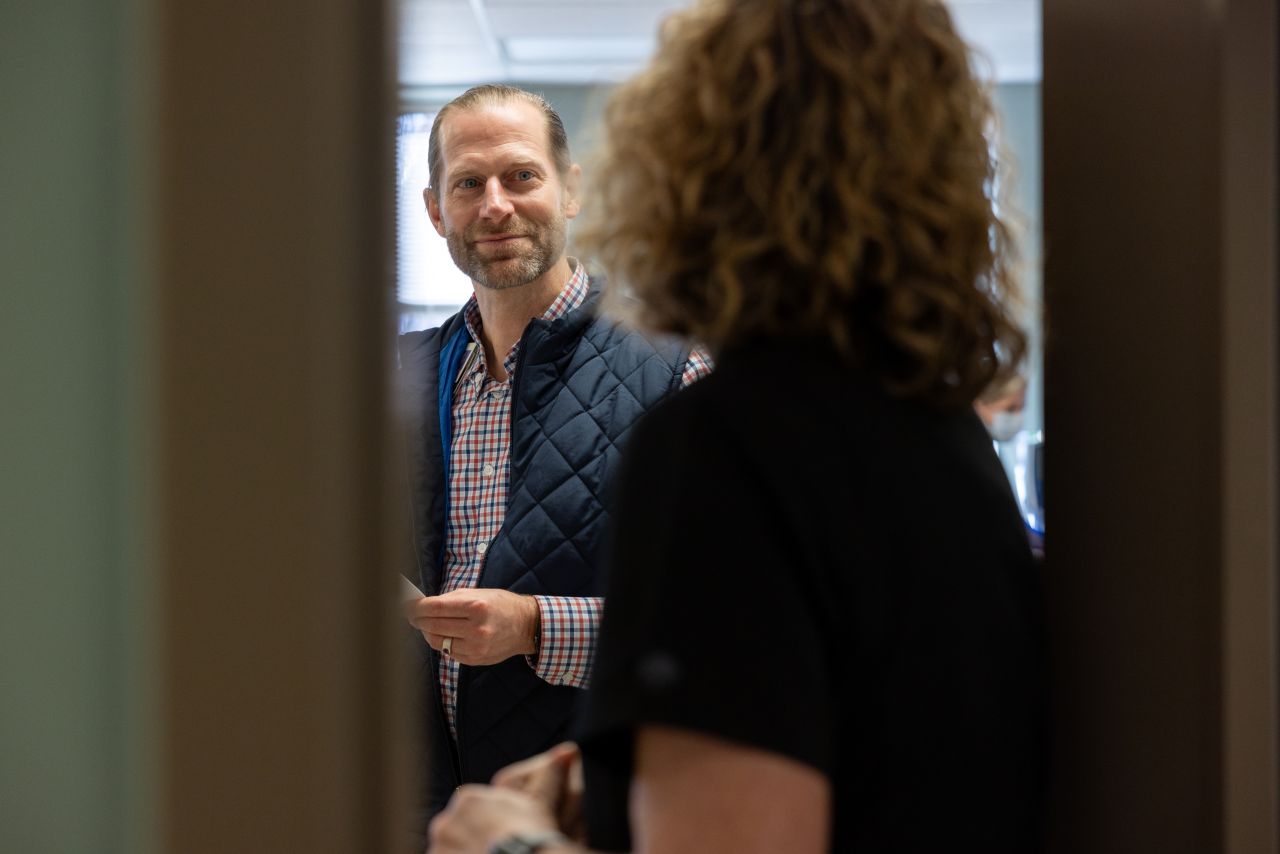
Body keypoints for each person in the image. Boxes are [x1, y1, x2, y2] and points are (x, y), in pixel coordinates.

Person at [425, 1, 1046, 852]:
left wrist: (505, 842)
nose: (495, 204)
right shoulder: (939, 438)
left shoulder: (724, 445)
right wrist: (613, 786)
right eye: (467, 183)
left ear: (691, 165)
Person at [395, 84, 710, 840]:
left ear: (571, 191)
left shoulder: (676, 374)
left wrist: (538, 626)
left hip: (584, 816)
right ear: (437, 211)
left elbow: (718, 623)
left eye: (521, 176)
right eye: (468, 184)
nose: (495, 205)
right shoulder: (394, 381)